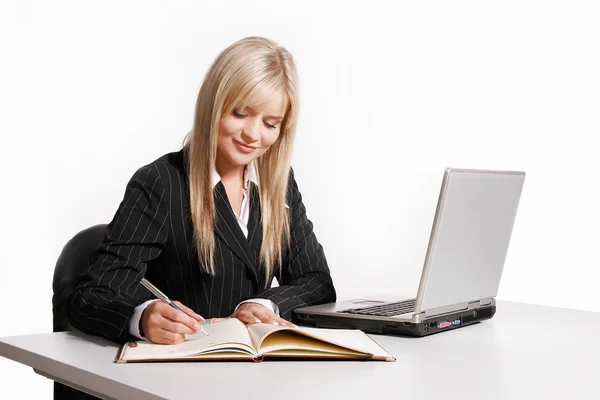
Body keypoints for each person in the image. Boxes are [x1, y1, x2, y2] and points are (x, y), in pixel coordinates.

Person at [66, 36, 336, 345]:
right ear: (213, 105)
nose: (252, 134)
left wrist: (263, 304)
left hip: (256, 370)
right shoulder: (161, 182)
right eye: (240, 113)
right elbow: (88, 298)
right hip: (182, 372)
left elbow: (317, 282)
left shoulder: (279, 184)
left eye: (270, 123)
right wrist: (140, 317)